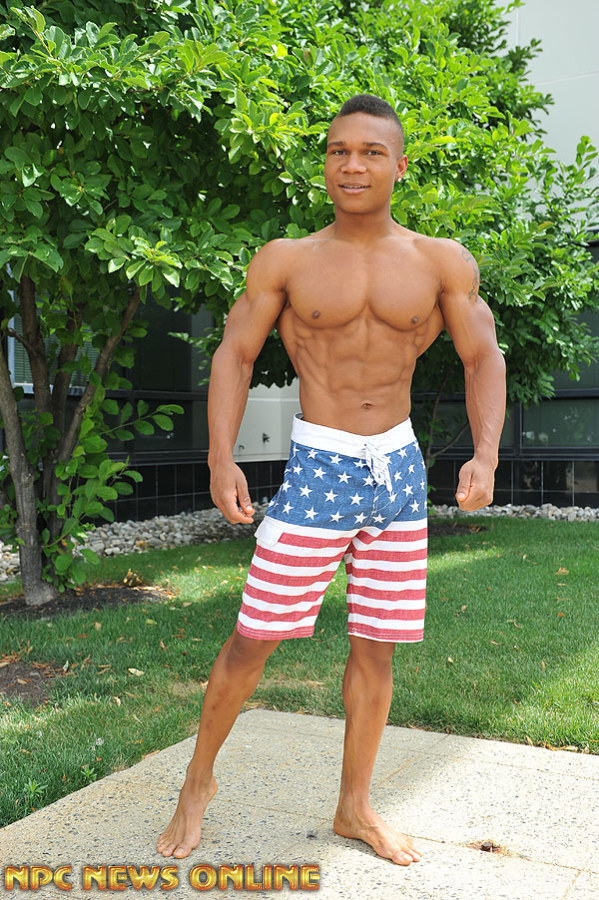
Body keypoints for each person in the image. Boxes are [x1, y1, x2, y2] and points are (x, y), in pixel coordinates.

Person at [156, 94, 506, 866]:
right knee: (254, 637)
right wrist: (219, 457)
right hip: (319, 468)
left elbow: (482, 355)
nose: (352, 164)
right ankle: (197, 781)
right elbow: (234, 354)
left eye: (370, 152)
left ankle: (354, 807)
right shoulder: (286, 259)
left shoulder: (440, 261)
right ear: (325, 163)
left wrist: (484, 454)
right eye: (338, 150)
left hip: (399, 472)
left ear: (398, 166)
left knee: (376, 648)